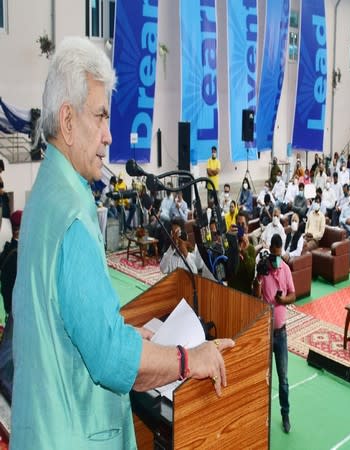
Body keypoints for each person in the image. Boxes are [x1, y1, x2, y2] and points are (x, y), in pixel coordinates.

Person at [11, 37, 234, 448]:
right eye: (101, 117)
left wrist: (122, 332)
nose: (110, 136)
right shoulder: (74, 216)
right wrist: (189, 359)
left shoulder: (45, 193)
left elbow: (65, 316)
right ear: (68, 121)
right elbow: (111, 360)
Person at [254, 234, 295, 433]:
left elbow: (293, 295)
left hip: (281, 333)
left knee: (283, 378)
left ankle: (285, 414)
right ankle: (260, 415)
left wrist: (283, 300)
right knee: (263, 378)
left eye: (279, 255)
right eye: (273, 254)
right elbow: (255, 296)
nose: (276, 259)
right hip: (264, 332)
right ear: (270, 250)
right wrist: (257, 276)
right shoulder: (263, 268)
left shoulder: (286, 270)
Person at [0, 210, 22, 400]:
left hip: (13, 307)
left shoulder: (8, 250)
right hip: (18, 309)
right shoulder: (17, 255)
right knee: (9, 350)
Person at [229, 211, 256, 295]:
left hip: (245, 294)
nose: (240, 227)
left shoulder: (251, 249)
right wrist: (228, 238)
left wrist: (244, 251)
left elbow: (250, 275)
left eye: (243, 224)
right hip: (231, 291)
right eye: (238, 224)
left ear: (247, 227)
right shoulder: (231, 245)